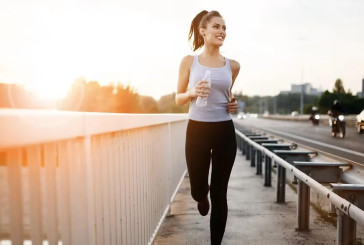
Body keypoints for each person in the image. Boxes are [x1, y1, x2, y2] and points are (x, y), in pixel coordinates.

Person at [175, 10, 240, 245]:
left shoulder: (232, 65)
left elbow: (228, 94)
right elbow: (178, 98)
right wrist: (192, 92)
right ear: (203, 31)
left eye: (224, 28)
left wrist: (233, 104)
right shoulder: (189, 61)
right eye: (216, 27)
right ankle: (200, 196)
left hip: (224, 131)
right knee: (198, 189)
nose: (221, 31)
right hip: (197, 131)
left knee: (219, 192)